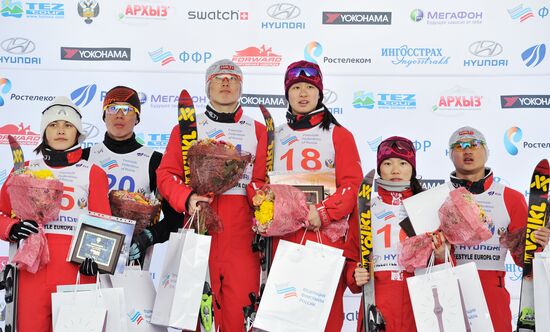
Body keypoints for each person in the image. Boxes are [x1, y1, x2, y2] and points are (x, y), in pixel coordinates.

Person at [156, 59, 267, 331]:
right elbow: (166, 175)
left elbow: (262, 179)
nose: (225, 82)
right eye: (218, 78)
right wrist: (187, 197)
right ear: (208, 87)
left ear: (241, 87)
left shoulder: (259, 130)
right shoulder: (188, 127)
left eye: (232, 78)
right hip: (198, 229)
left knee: (239, 315)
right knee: (194, 316)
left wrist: (260, 200)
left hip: (241, 236)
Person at [0, 96, 111, 332]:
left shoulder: (94, 172)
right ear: (44, 132)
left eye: (68, 125)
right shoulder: (25, 169)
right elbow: (1, 213)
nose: (60, 130)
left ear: (78, 133)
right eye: (53, 125)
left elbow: (103, 225)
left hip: (77, 271)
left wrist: (98, 260)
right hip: (32, 271)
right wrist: (12, 228)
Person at [272, 60, 363, 332]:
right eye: (296, 87)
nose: (302, 94)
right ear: (286, 94)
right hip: (283, 238)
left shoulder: (339, 134)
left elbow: (352, 186)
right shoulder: (274, 135)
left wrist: (322, 213)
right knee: (282, 318)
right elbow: (262, 184)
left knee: (323, 318)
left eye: (309, 88)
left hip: (323, 237)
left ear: (319, 93)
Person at [447, 126, 550, 332]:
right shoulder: (438, 196)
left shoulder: (511, 197)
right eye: (459, 146)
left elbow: (524, 261)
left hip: (491, 292)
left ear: (486, 151)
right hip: (448, 290)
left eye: (475, 145)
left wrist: (539, 242)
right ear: (451, 154)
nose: (467, 150)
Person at [343, 136, 449, 332]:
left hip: (420, 299)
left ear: (412, 169)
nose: (395, 170)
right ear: (379, 168)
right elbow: (351, 256)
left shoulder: (427, 206)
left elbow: (447, 264)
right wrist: (354, 274)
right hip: (379, 298)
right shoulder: (365, 207)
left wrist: (442, 255)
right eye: (387, 163)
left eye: (403, 163)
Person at [82, 86, 183, 263]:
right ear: (104, 115)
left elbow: (175, 219)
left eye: (128, 109)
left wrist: (148, 237)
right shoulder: (85, 156)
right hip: (89, 255)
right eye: (112, 108)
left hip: (131, 259)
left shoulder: (154, 160)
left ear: (137, 118)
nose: (119, 114)